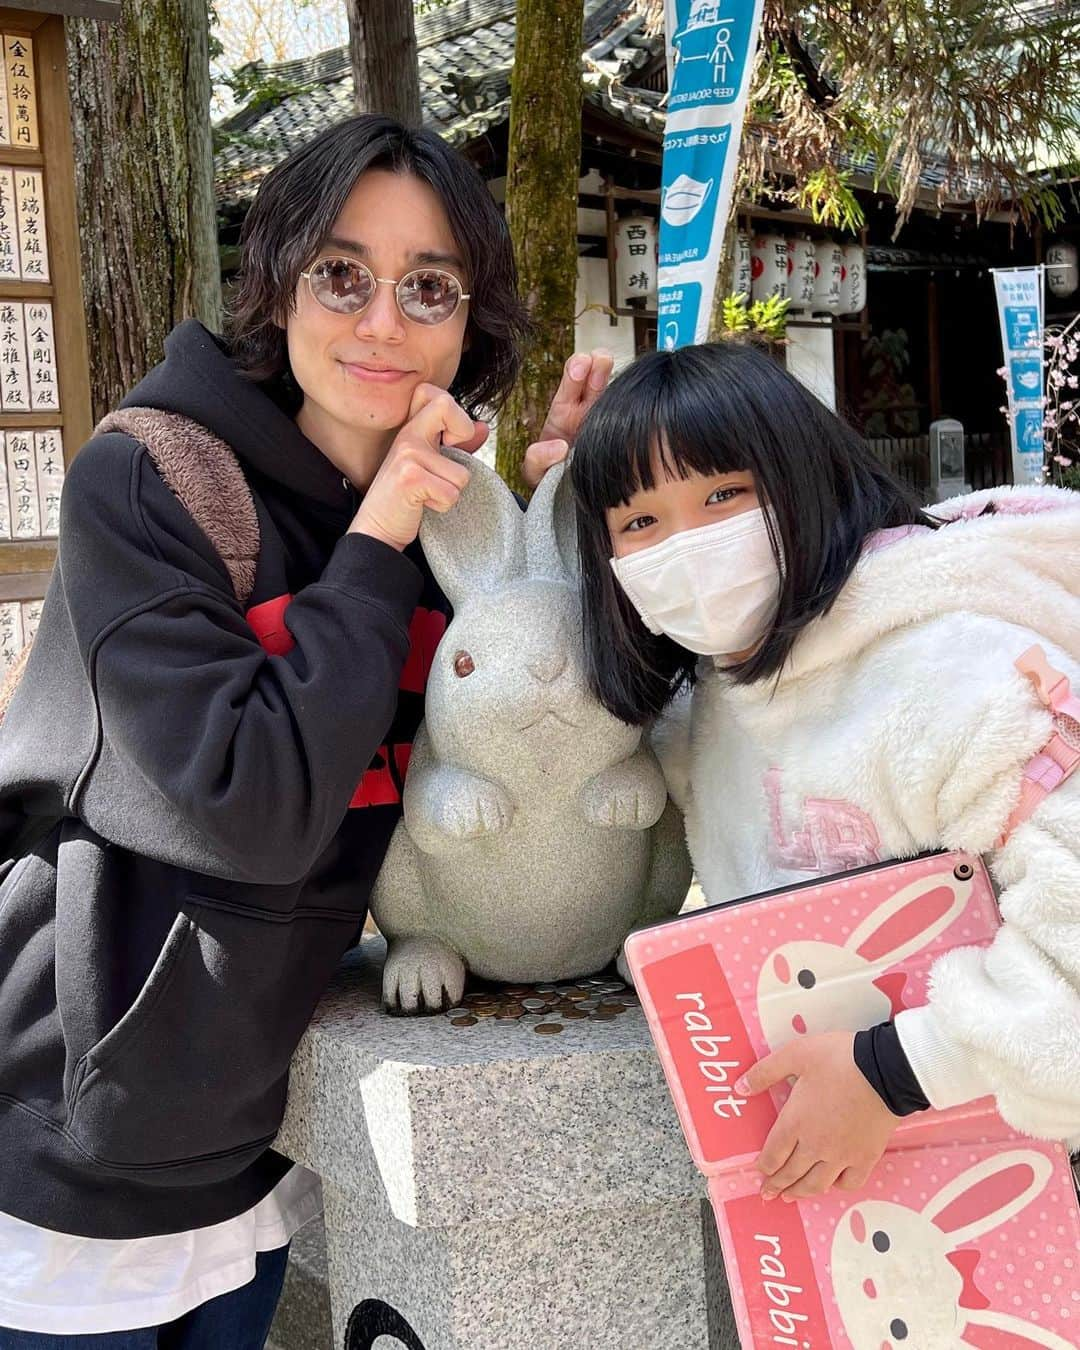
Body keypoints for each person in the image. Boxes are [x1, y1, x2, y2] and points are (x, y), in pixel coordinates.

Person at [0, 113, 612, 1345]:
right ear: (278, 282)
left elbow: (533, 729)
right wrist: (378, 540)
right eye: (343, 274)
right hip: (66, 1145)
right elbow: (253, 802)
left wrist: (569, 527)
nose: (381, 321)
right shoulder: (152, 482)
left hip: (257, 1150)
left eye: (427, 287)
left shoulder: (441, 519)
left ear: (468, 322)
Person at [569, 340, 1080, 1203]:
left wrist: (891, 1074)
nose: (687, 546)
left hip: (1036, 1190)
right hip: (873, 1215)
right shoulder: (719, 701)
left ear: (806, 475)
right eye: (641, 522)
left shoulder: (962, 675)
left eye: (724, 494)